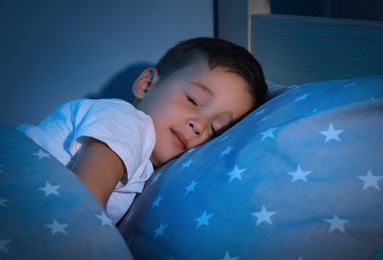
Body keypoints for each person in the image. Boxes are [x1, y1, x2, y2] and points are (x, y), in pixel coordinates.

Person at [17, 37, 268, 224]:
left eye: (216, 129)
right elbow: (81, 210)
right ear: (147, 84)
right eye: (192, 100)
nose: (199, 125)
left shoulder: (146, 162)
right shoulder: (128, 121)